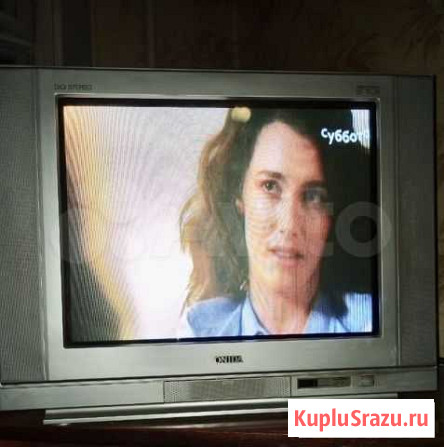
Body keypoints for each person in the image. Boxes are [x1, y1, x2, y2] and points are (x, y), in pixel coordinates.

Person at [178, 106, 373, 337]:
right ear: (238, 195)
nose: (289, 225)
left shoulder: (369, 322)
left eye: (314, 196)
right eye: (270, 186)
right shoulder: (199, 330)